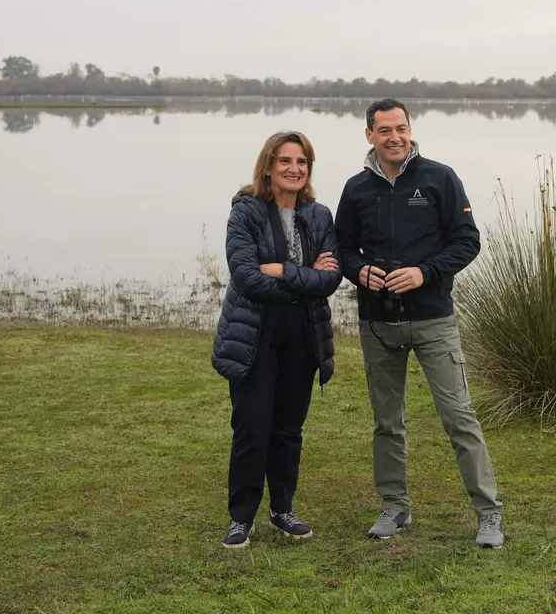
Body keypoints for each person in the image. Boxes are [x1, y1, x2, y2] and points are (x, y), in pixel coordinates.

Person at [334, 98, 505, 549]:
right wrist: (359, 272)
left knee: (459, 416)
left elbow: (468, 242)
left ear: (411, 130)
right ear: (369, 135)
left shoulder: (439, 178)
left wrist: (425, 272)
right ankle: (394, 506)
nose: (395, 137)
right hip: (378, 324)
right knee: (387, 422)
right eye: (385, 130)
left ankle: (488, 514)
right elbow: (343, 248)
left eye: (401, 128)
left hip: (433, 320)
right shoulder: (355, 189)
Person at [211, 130, 342, 549]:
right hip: (255, 335)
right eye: (285, 161)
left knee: (288, 429)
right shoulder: (246, 212)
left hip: (303, 336)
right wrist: (306, 279)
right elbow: (247, 278)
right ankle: (241, 517)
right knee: (252, 428)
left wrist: (282, 271)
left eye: (302, 162)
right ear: (268, 166)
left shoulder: (319, 215)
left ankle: (282, 509)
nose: (294, 169)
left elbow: (332, 277)